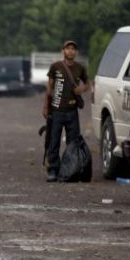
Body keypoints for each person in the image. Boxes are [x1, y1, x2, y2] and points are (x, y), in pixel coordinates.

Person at [42, 40, 91, 182]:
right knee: (53, 141)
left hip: (72, 111)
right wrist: (46, 106)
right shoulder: (55, 67)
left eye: (73, 49)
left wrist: (81, 89)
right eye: (68, 48)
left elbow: (88, 83)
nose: (71, 51)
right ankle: (53, 170)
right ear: (63, 51)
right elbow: (49, 87)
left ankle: (70, 169)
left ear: (76, 52)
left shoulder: (79, 68)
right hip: (57, 110)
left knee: (73, 142)